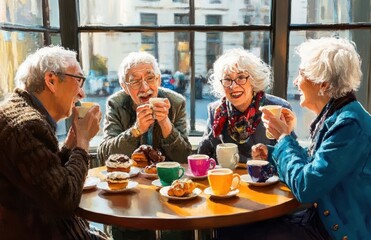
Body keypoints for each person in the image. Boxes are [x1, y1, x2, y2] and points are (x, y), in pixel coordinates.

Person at [234, 37, 371, 240]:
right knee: (237, 228)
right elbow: (315, 169)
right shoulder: (338, 116)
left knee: (235, 234)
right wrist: (272, 154)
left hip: (334, 233)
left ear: (322, 83)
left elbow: (306, 187)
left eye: (301, 74)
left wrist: (283, 138)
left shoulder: (349, 125)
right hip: (319, 222)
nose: (296, 82)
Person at [0, 46, 107, 239]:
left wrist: (71, 141)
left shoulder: (18, 110)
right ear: (51, 80)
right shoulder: (27, 125)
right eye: (79, 80)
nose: (82, 93)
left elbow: (45, 176)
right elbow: (64, 199)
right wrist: (83, 141)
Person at [197, 48, 294, 163]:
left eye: (241, 78)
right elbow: (202, 156)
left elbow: (290, 155)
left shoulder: (276, 108)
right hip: (228, 178)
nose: (234, 86)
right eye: (227, 79)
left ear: (253, 80)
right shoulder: (216, 110)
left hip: (265, 178)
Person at [97, 51, 192, 164]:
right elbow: (104, 155)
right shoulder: (116, 104)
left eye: (150, 78)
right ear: (124, 87)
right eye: (135, 81)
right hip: (130, 178)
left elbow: (184, 158)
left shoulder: (176, 103)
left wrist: (165, 123)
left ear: (158, 80)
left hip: (167, 179)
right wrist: (136, 130)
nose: (145, 88)